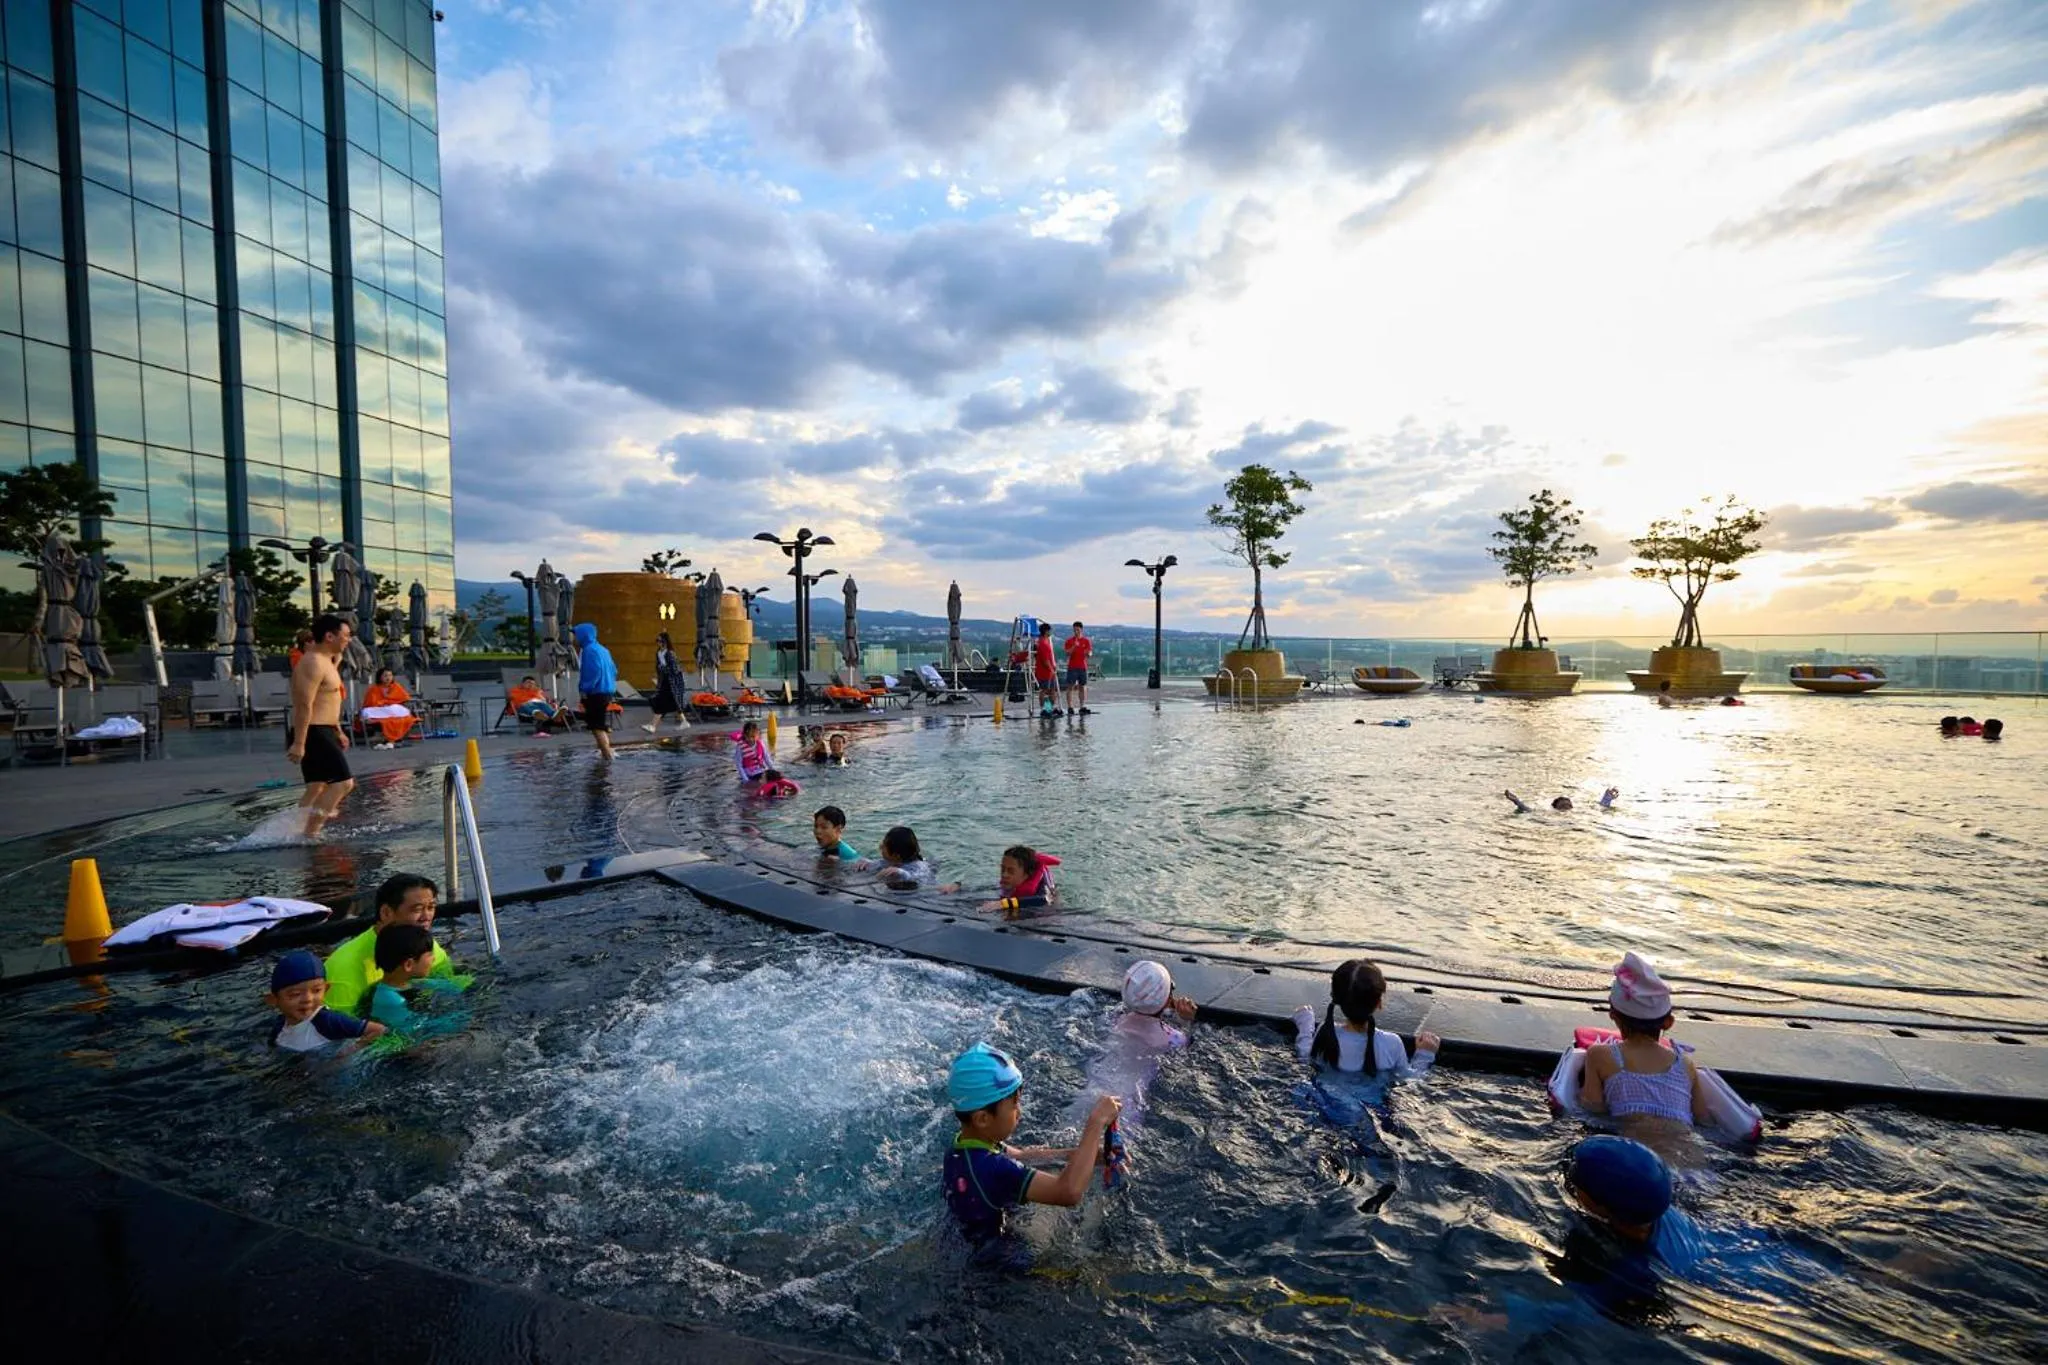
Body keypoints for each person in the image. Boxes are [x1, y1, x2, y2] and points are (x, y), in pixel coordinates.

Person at [941, 1042, 1121, 1258]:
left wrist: (1088, 1155)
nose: (1020, 1112)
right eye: (1014, 1105)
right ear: (982, 1119)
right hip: (1006, 1264)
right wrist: (1095, 1123)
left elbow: (1021, 1156)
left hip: (972, 1241)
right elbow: (1068, 1192)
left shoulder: (963, 1144)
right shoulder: (992, 1168)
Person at [1579, 951, 1713, 1146]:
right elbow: (1703, 1120)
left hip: (1634, 1158)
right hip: (1694, 1164)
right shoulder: (1685, 1064)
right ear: (1668, 1023)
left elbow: (1592, 1108)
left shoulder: (1600, 1055)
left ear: (1613, 1014)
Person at [323, 873, 470, 1016]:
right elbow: (341, 1031)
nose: (426, 917)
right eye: (417, 909)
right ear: (386, 912)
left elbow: (447, 986)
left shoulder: (425, 945)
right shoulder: (344, 967)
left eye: (431, 907)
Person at [1292, 958, 1440, 1078]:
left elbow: (1306, 1056)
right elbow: (1411, 1079)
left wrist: (1305, 1025)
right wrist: (1425, 1054)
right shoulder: (1391, 1044)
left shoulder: (1325, 1032)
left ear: (1336, 998)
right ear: (1379, 1003)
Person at [286, 613, 354, 839]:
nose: (348, 639)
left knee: (317, 786)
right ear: (329, 636)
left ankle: (294, 830)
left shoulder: (327, 660)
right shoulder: (313, 662)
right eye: (345, 635)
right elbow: (304, 705)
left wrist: (338, 731)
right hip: (313, 732)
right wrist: (299, 743)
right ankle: (311, 833)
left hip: (324, 730)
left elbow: (329, 701)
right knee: (343, 784)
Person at [360, 923, 468, 1043]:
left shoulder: (405, 983)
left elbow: (450, 986)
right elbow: (413, 1035)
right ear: (408, 965)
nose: (433, 959)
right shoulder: (391, 1001)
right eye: (429, 955)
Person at [266, 949, 385, 1051]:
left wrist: (345, 1055)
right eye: (295, 994)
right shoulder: (280, 1024)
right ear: (273, 1000)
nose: (308, 999)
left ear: (326, 989)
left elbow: (378, 1030)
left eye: (316, 991)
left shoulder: (328, 1021)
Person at [942, 845, 1063, 916]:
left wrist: (1001, 904)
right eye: (1002, 869)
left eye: (1011, 871)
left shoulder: (1042, 891)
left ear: (1026, 875)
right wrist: (958, 886)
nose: (1004, 875)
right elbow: (986, 886)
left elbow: (1044, 900)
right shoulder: (1009, 884)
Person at [574, 622, 617, 760]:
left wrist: (584, 689)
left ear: (583, 635)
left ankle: (607, 756)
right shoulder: (603, 650)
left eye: (576, 635)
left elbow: (593, 672)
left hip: (595, 692)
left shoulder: (589, 651)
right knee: (598, 723)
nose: (575, 638)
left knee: (596, 726)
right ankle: (607, 753)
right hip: (607, 691)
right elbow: (615, 670)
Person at [853, 825, 935, 889]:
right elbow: (876, 864)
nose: (880, 846)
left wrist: (900, 872)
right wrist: (865, 862)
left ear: (896, 855)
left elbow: (917, 876)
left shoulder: (919, 866)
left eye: (884, 845)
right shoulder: (889, 861)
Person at [359, 666, 418, 748]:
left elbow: (404, 699)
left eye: (390, 675)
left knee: (395, 708)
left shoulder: (396, 686)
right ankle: (386, 737)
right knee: (367, 711)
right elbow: (370, 703)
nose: (388, 678)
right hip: (380, 709)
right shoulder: (374, 688)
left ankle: (389, 738)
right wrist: (382, 704)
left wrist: (389, 703)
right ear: (380, 677)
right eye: (385, 676)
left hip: (392, 709)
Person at [642, 631, 686, 733]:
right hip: (665, 681)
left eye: (660, 641)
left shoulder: (670, 653)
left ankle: (653, 726)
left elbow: (675, 669)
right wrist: (659, 677)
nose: (658, 643)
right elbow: (658, 668)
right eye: (657, 641)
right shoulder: (658, 653)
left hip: (672, 682)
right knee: (672, 703)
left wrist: (663, 668)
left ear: (665, 642)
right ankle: (684, 722)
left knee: (661, 702)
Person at [1062, 621, 1093, 716]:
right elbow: (1067, 653)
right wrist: (1073, 647)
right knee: (1070, 687)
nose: (1076, 632)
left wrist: (1089, 654)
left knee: (1082, 687)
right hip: (1072, 666)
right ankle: (1070, 706)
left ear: (1081, 630)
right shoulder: (1069, 641)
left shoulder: (1086, 641)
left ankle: (1082, 706)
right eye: (1074, 630)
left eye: (1078, 630)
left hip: (1082, 666)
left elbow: (1090, 652)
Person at [1033, 621, 1059, 718]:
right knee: (1044, 690)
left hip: (1049, 670)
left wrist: (1053, 667)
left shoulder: (1046, 641)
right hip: (1044, 671)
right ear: (1046, 631)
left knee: (1052, 690)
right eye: (1049, 631)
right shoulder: (1042, 643)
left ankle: (1050, 708)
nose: (1051, 632)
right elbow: (1045, 660)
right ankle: (1044, 709)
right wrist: (1051, 669)